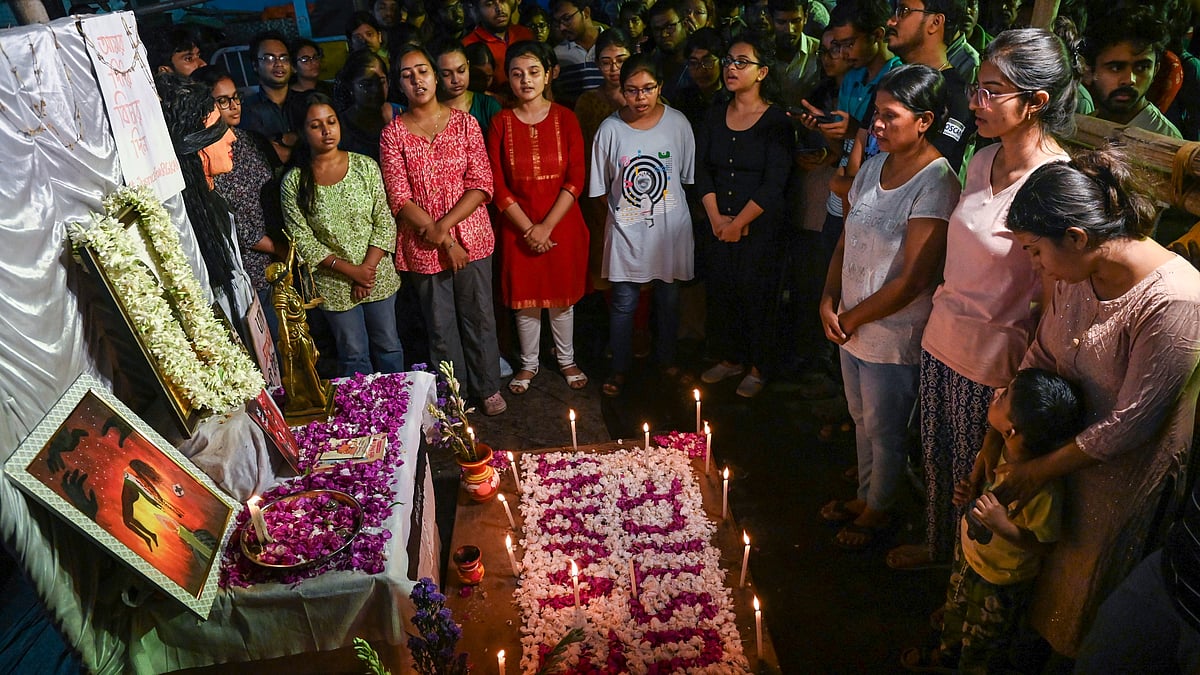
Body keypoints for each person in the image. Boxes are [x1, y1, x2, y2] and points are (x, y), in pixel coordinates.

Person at [981, 147, 1200, 658]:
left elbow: (1132, 423)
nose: (1036, 266)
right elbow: (1042, 350)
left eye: (1036, 251)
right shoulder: (1076, 273)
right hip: (1061, 459)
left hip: (1119, 480)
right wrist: (996, 436)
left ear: (1076, 237)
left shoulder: (1176, 300)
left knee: (1086, 590)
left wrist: (1037, 472)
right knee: (1041, 567)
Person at [886, 28, 1076, 572]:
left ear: (1036, 102)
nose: (976, 102)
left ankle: (963, 589)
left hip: (993, 362)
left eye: (993, 92)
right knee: (938, 464)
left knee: (978, 480)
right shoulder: (979, 158)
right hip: (942, 339)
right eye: (977, 88)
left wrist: (1022, 376)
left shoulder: (1052, 183)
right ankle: (936, 550)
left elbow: (1051, 298)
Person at [817, 64, 960, 550]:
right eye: (876, 114)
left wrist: (852, 318)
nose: (875, 125)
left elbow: (913, 279)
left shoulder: (937, 181)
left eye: (889, 116)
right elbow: (847, 238)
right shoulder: (875, 167)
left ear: (924, 121)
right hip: (850, 320)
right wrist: (828, 298)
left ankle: (882, 509)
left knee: (885, 425)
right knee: (861, 417)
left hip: (891, 328)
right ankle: (867, 495)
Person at [902, 368, 1085, 674]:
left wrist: (1003, 525)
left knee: (983, 644)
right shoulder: (997, 450)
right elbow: (979, 493)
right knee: (957, 612)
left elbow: (1046, 546)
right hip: (970, 557)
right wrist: (967, 491)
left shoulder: (1044, 489)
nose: (997, 392)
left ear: (1012, 430)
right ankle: (946, 657)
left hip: (1001, 581)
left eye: (1005, 395)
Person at [380, 44, 507, 415]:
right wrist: (440, 237)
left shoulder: (466, 123)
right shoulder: (393, 134)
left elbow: (482, 182)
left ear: (435, 76)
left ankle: (487, 387)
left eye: (422, 70)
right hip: (423, 245)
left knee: (480, 316)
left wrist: (446, 229)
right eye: (407, 75)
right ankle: (456, 393)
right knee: (440, 326)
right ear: (399, 85)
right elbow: (398, 196)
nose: (417, 80)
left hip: (473, 240)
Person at [587, 54, 696, 396]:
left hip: (671, 231)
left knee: (669, 299)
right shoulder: (609, 129)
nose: (640, 98)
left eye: (648, 89)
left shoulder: (678, 124)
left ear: (660, 87)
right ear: (621, 91)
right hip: (626, 233)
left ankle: (666, 361)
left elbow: (684, 179)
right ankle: (619, 368)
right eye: (632, 90)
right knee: (623, 302)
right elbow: (600, 189)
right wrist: (627, 215)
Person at [488, 42, 591, 394]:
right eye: (517, 74)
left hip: (561, 223)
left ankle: (567, 359)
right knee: (525, 300)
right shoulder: (500, 122)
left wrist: (545, 226)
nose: (525, 80)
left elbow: (576, 178)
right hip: (518, 226)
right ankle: (529, 364)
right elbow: (497, 184)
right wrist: (528, 227)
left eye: (533, 72)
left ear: (548, 75)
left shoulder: (566, 118)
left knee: (560, 298)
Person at [696, 34, 793, 398]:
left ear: (762, 72)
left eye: (741, 62)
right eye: (728, 61)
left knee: (758, 296)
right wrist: (717, 218)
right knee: (722, 291)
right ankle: (730, 357)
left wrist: (739, 222)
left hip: (761, 226)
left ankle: (759, 365)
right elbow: (702, 170)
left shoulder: (776, 122)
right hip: (717, 222)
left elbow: (774, 182)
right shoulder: (714, 114)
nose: (730, 68)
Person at [282, 93, 405, 378]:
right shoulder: (295, 182)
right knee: (352, 354)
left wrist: (367, 270)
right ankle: (363, 415)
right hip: (333, 282)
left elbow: (384, 220)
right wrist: (352, 272)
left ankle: (399, 410)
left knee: (388, 346)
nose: (327, 131)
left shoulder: (365, 166)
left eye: (331, 122)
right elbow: (303, 240)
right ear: (302, 131)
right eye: (316, 125)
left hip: (377, 275)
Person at [155, 72, 259, 347]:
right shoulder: (182, 223)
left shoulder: (214, 202)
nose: (232, 139)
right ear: (197, 147)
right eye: (218, 131)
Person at [192, 65, 287, 340]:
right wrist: (276, 248)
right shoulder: (209, 156)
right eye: (223, 101)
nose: (234, 106)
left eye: (236, 97)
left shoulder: (248, 140)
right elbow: (230, 218)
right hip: (246, 267)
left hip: (276, 258)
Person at [576, 28, 635, 292]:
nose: (614, 68)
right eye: (606, 62)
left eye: (621, 60)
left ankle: (640, 332)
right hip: (599, 200)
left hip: (642, 197)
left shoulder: (650, 100)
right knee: (605, 267)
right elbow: (582, 154)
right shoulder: (587, 102)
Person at [1081, 8, 1182, 138]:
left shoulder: (1166, 141)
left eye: (1141, 68)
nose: (1130, 79)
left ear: (1155, 71)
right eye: (1116, 68)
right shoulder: (1081, 127)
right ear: (1088, 72)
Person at [336, 49, 403, 161]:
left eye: (381, 82)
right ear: (350, 87)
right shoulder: (339, 128)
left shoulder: (403, 115)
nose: (376, 90)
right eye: (366, 85)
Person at [240, 31, 296, 162]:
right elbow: (258, 153)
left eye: (284, 58)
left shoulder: (307, 102)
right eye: (269, 58)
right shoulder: (247, 110)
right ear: (255, 65)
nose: (278, 64)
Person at [434, 40, 502, 135]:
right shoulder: (429, 109)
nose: (456, 80)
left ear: (468, 65)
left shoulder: (487, 106)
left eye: (461, 71)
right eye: (446, 74)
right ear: (435, 75)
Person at [463, 0, 534, 91]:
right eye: (489, 4)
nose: (499, 9)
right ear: (476, 9)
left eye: (503, 1)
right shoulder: (468, 45)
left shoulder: (525, 34)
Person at [552, 0, 606, 104]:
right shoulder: (558, 54)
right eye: (558, 22)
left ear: (585, 13)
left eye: (567, 19)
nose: (562, 27)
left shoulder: (614, 45)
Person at [647, 0, 693, 102]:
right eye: (657, 29)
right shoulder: (651, 62)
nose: (664, 34)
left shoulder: (699, 61)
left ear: (685, 24)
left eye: (669, 26)